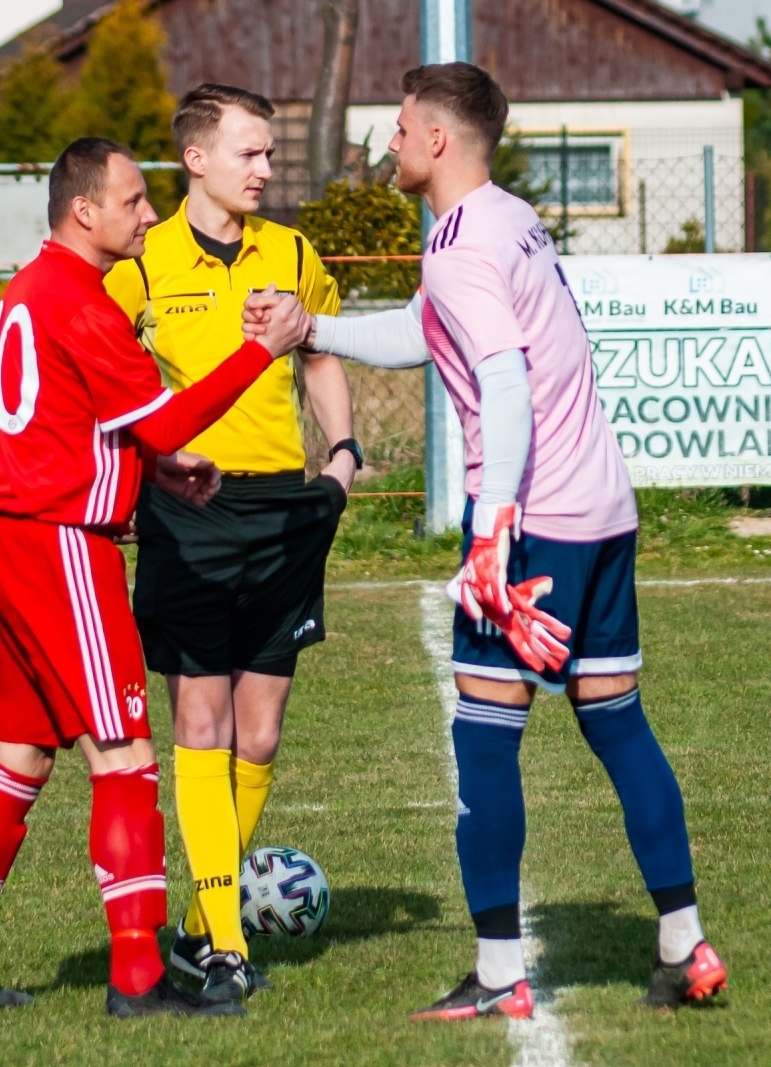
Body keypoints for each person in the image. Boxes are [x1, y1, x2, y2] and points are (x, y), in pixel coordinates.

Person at [244, 63, 727, 1018]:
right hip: (600, 507)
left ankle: (501, 974)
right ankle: (685, 942)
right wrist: (317, 329)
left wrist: (494, 524)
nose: (387, 143)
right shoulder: (503, 220)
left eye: (399, 128)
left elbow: (501, 381)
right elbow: (432, 335)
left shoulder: (460, 246)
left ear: (436, 140)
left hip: (533, 518)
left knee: (485, 738)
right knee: (616, 720)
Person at [0, 136, 312, 1019]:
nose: (149, 215)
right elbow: (170, 416)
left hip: (2, 537)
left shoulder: (29, 290)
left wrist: (151, 473)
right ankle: (138, 979)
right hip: (60, 545)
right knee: (125, 755)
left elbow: (72, 422)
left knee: (17, 757)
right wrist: (260, 352)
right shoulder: (82, 301)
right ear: (84, 212)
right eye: (132, 202)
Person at [104, 84, 357, 1012]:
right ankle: (224, 944)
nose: (266, 168)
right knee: (201, 726)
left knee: (261, 732)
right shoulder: (139, 263)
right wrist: (150, 465)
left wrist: (342, 456)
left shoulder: (290, 252)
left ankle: (201, 922)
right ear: (196, 159)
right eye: (250, 152)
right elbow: (110, 393)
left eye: (270, 152)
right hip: (190, 516)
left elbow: (320, 352)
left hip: (288, 511)